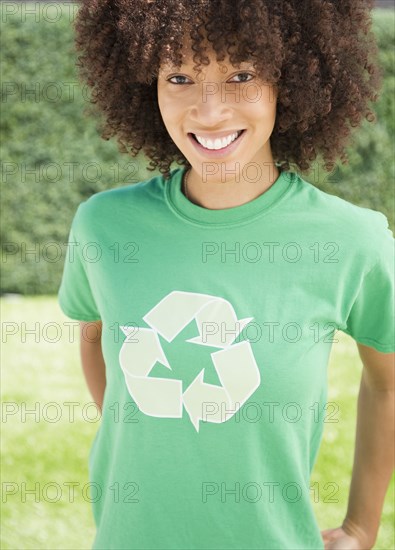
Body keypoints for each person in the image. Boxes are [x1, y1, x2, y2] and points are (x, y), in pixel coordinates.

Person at [58, 1, 395, 549]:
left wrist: (360, 527)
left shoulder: (352, 241)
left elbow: (387, 383)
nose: (209, 111)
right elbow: (96, 339)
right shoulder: (103, 226)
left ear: (293, 78)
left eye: (242, 74)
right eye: (180, 76)